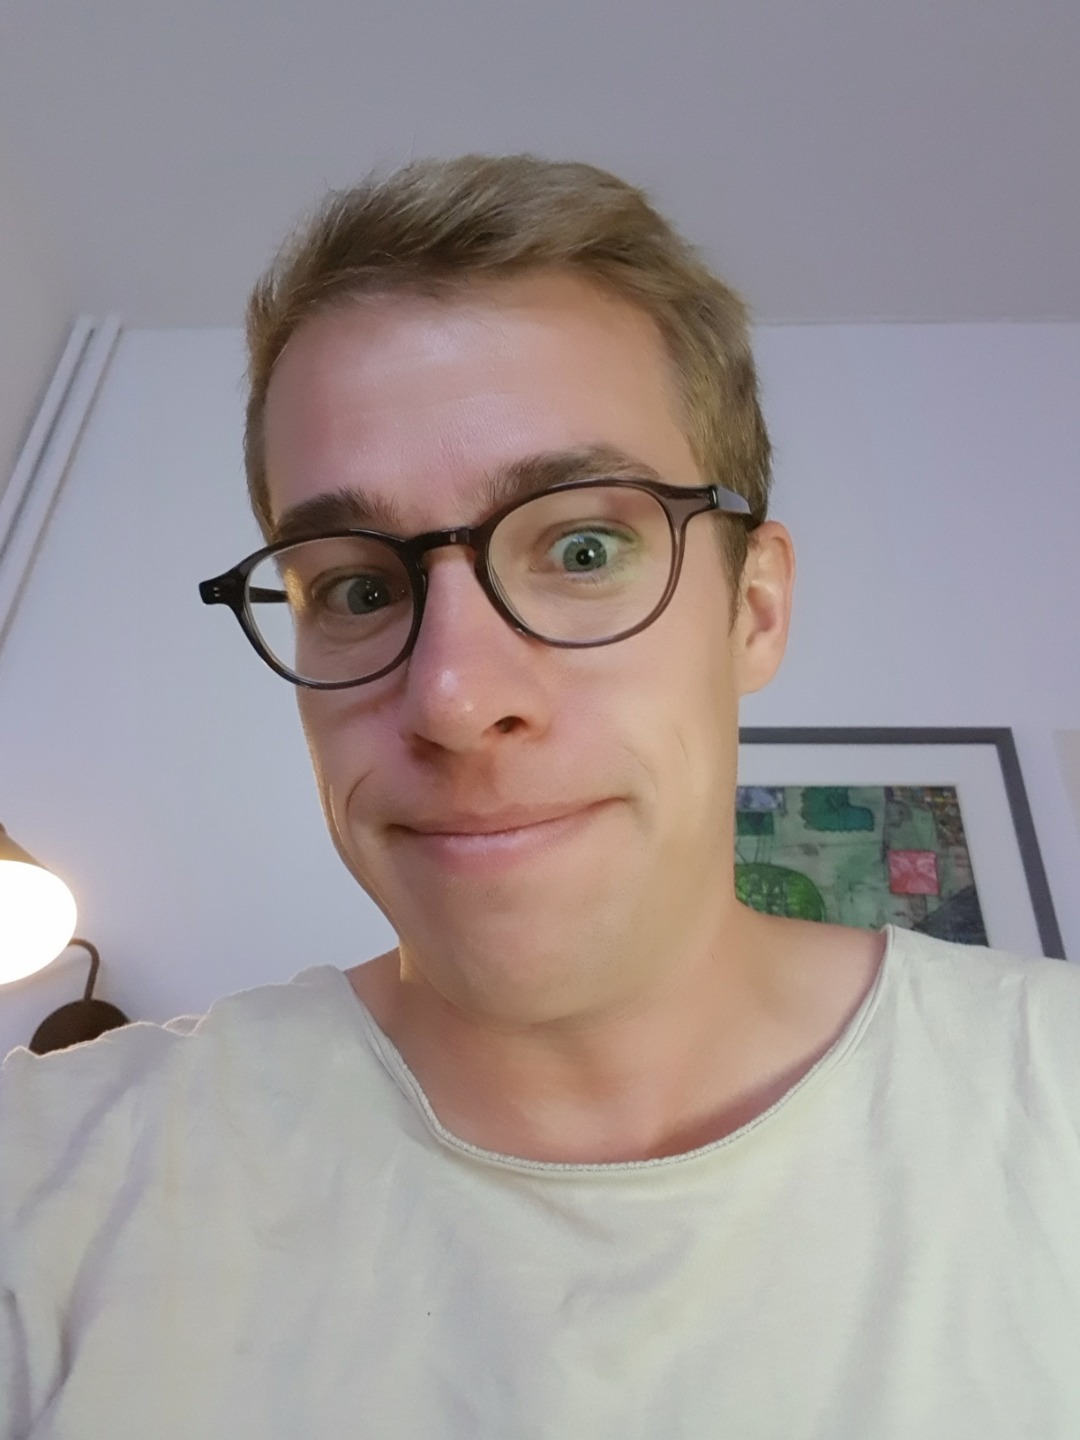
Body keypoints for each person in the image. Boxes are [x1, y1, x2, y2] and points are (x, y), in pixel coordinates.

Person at [2, 155, 1078, 1438]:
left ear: (753, 608)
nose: (454, 699)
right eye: (358, 588)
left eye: (581, 547)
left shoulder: (1050, 1099)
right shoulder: (49, 1184)